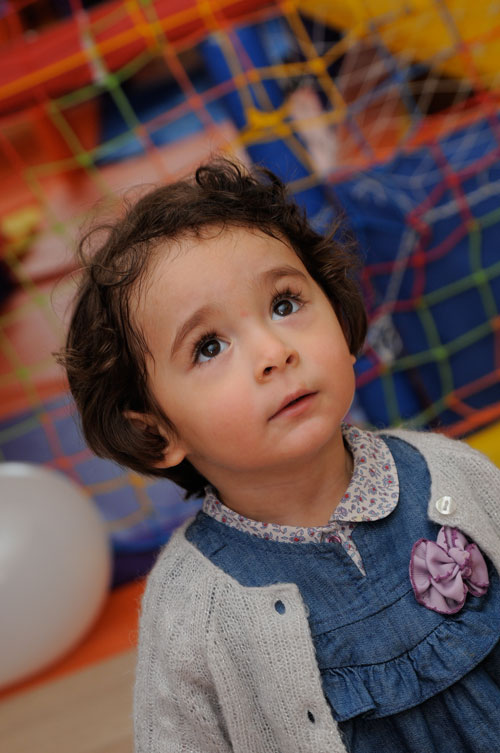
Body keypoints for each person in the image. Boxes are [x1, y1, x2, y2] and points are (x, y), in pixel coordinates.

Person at [59, 158, 500, 753]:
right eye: (209, 346)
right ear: (159, 433)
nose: (274, 352)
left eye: (285, 304)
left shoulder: (447, 474)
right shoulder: (193, 610)